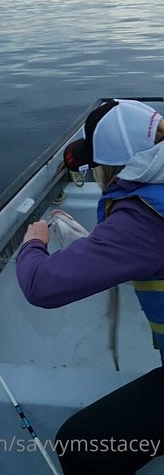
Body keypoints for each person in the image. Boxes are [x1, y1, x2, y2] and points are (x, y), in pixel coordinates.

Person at [16, 99, 164, 474]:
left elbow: (40, 284)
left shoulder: (144, 217)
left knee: (81, 445)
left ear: (110, 167)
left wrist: (33, 244)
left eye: (94, 165)